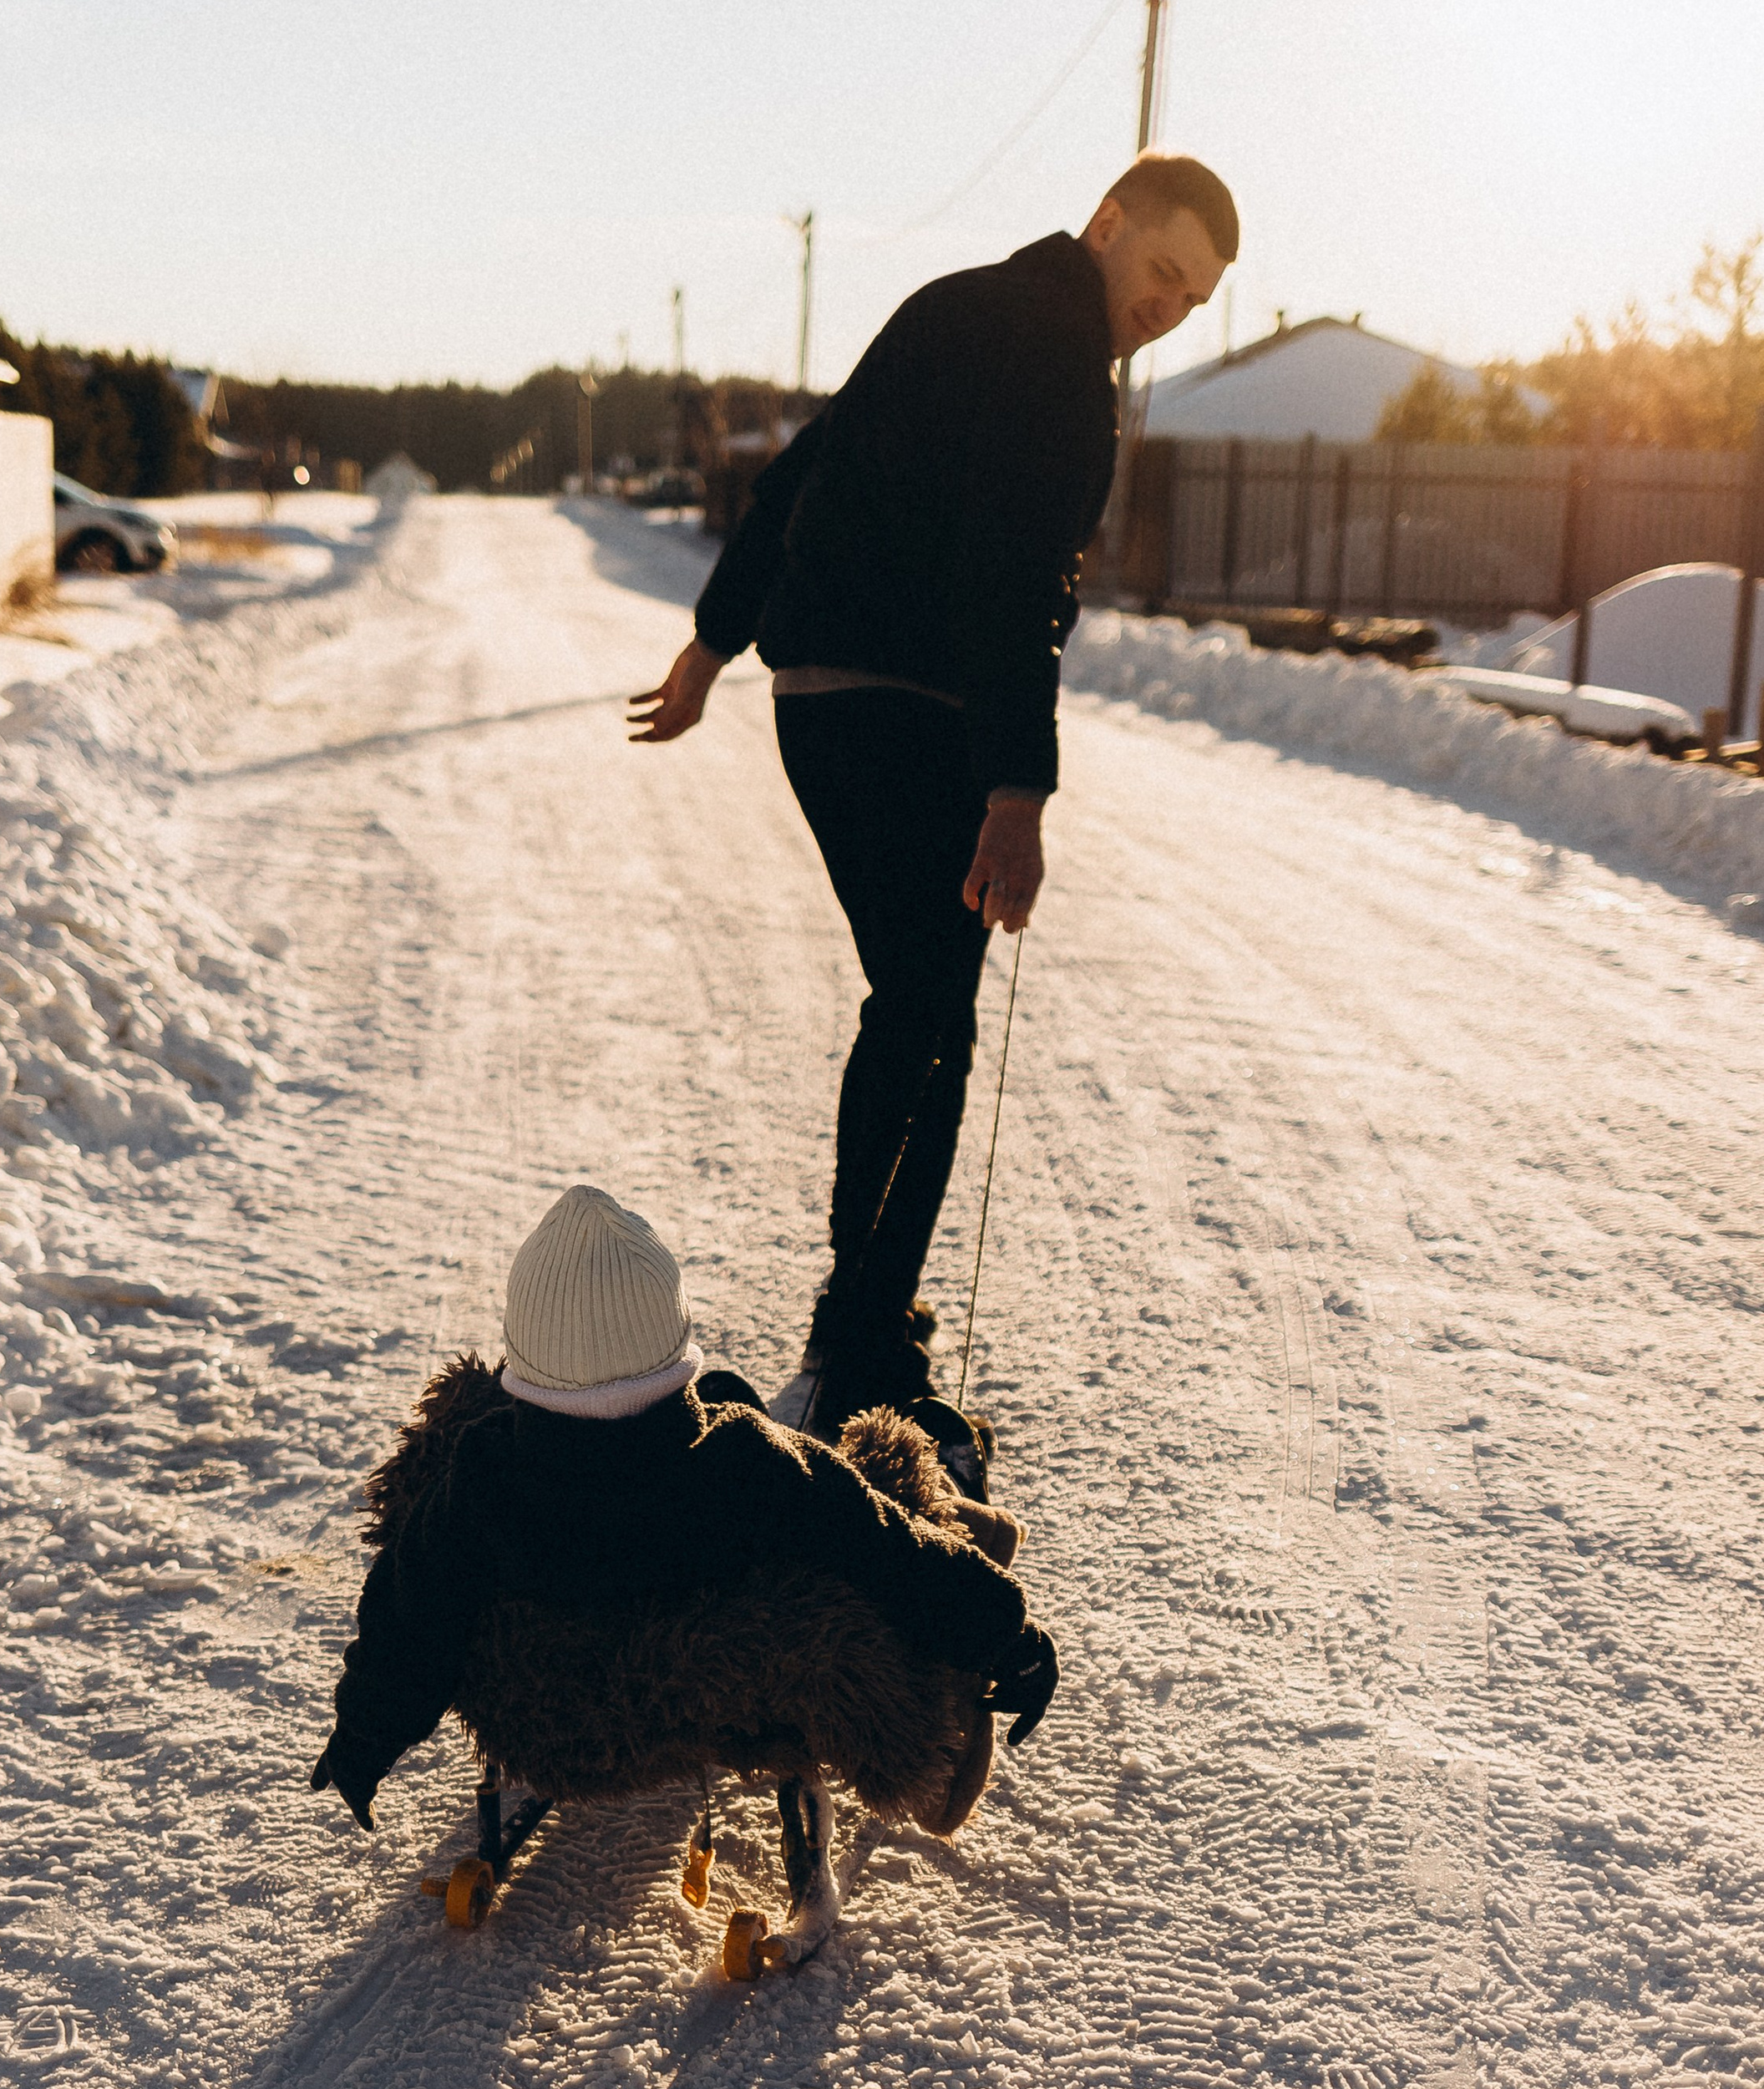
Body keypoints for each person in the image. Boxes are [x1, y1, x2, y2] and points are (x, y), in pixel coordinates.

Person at [629, 152, 1237, 1433]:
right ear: (1111, 224)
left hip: (819, 703)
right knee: (927, 1017)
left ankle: (866, 1321)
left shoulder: (950, 304)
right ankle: (856, 1356)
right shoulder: (1059, 368)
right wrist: (1017, 790)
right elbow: (1012, 581)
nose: (1169, 307)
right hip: (911, 708)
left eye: (1195, 298)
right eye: (1164, 273)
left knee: (916, 1006)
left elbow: (796, 475)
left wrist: (713, 642)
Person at [309, 1182, 1056, 1833]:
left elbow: (410, 1610)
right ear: (674, 1344)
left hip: (563, 1721)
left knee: (727, 1392)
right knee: (810, 1465)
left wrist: (361, 1743)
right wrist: (1005, 1630)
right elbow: (883, 1544)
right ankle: (960, 1501)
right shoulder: (743, 1462)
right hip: (709, 1692)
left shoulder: (484, 1474)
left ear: (524, 1359)